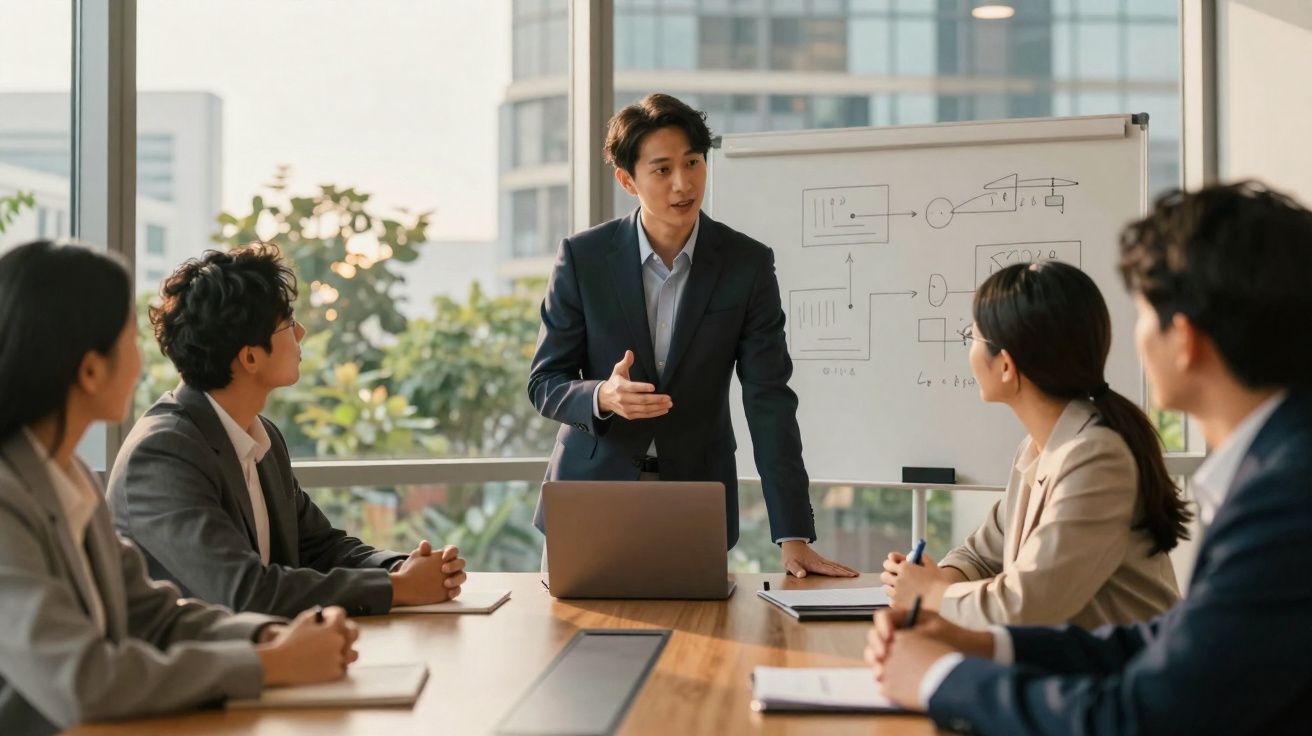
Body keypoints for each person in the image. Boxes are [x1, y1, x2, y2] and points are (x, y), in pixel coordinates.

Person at [867, 181, 1312, 734]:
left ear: (1185, 340)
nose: (1134, 339)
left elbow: (1138, 713)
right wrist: (978, 642)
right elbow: (1159, 642)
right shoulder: (1271, 467)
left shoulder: (1283, 496)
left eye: (1144, 314)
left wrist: (940, 676)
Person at [0, 240, 358, 735]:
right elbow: (83, 682)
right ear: (89, 369)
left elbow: (153, 614)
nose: (145, 362)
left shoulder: (68, 477)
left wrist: (270, 636)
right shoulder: (6, 502)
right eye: (129, 338)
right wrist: (272, 665)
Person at [527, 92, 855, 577]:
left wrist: (793, 534)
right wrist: (602, 395)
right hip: (589, 494)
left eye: (693, 163)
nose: (683, 184)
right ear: (626, 179)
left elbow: (769, 400)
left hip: (695, 497)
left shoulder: (746, 264)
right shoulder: (583, 258)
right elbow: (544, 383)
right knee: (578, 643)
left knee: (697, 641)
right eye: (661, 170)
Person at [107, 244, 466, 618]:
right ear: (249, 357)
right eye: (287, 323)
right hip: (193, 670)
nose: (301, 332)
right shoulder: (164, 452)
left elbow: (318, 548)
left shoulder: (261, 437)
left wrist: (400, 566)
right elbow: (245, 591)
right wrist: (400, 588)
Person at [879, 261, 1186, 628]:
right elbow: (980, 555)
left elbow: (1027, 605)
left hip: (1125, 676)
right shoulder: (1039, 446)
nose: (969, 350)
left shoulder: (1097, 457)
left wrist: (931, 594)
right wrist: (935, 578)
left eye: (971, 337)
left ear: (1006, 365)